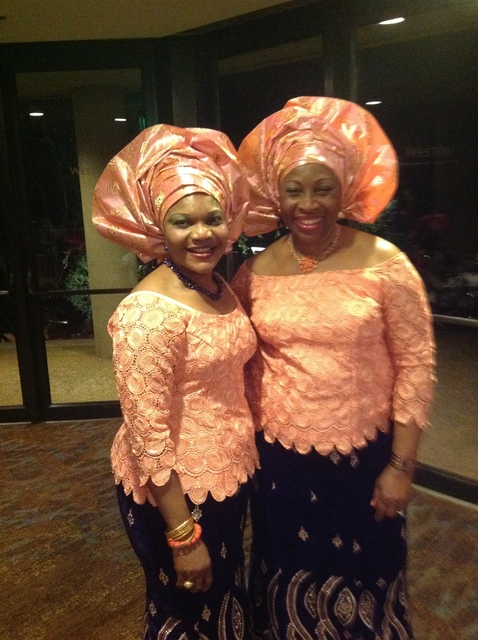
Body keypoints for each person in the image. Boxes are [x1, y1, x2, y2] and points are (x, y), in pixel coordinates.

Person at [231, 97, 436, 640]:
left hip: (365, 461)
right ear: (275, 194)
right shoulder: (254, 271)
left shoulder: (387, 265)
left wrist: (401, 467)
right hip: (280, 462)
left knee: (367, 573)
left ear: (345, 189)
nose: (308, 204)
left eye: (322, 188)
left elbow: (416, 367)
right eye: (294, 189)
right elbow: (240, 360)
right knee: (285, 571)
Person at [92, 124, 259, 639]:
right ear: (158, 229)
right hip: (177, 495)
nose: (201, 233)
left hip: (226, 473)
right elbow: (148, 433)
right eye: (182, 221)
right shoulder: (148, 312)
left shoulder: (216, 286)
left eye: (213, 218)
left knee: (223, 599)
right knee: (186, 614)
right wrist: (183, 535)